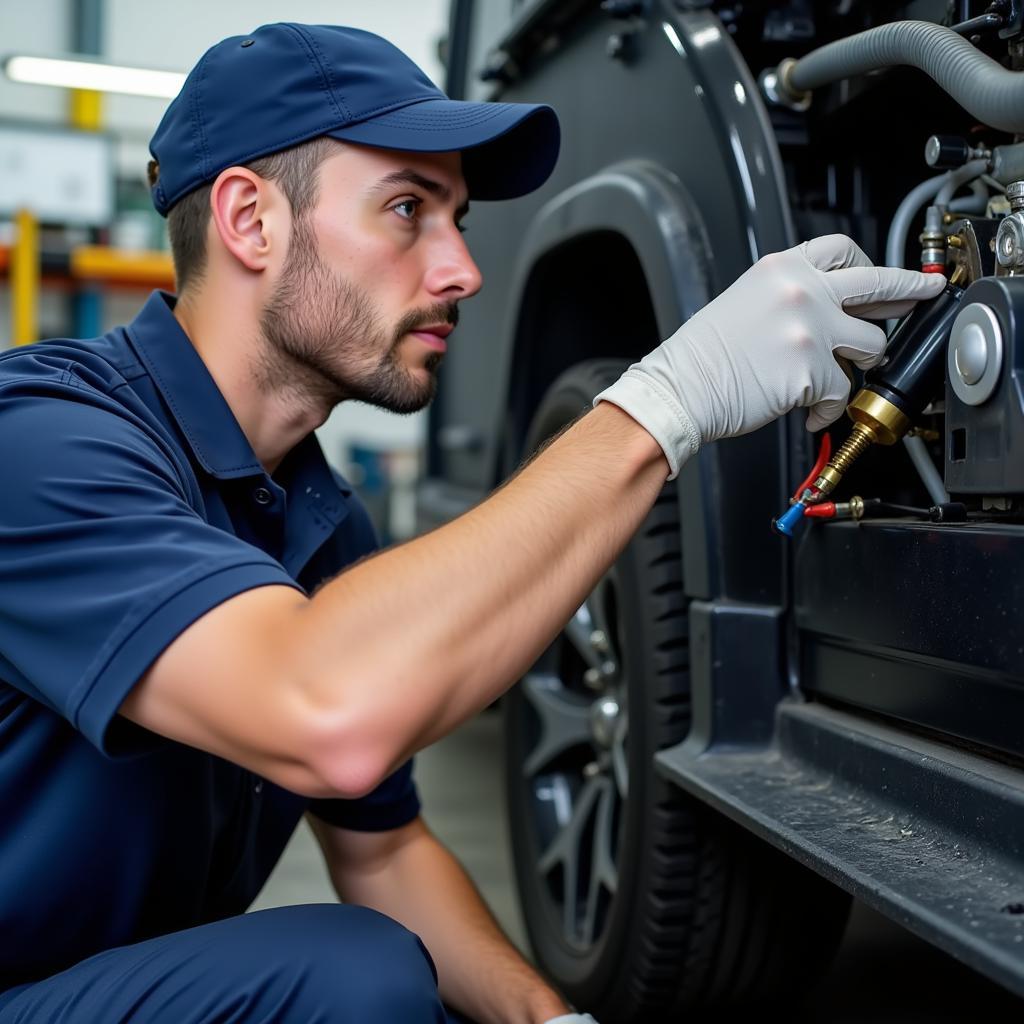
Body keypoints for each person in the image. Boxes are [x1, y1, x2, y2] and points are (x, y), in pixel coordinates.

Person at [0, 21, 944, 1024]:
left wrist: (549, 1020)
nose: (462, 269)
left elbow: (384, 850)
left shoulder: (315, 522)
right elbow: (324, 713)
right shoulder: (40, 441)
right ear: (251, 221)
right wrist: (667, 400)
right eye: (408, 208)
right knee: (356, 979)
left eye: (455, 217)